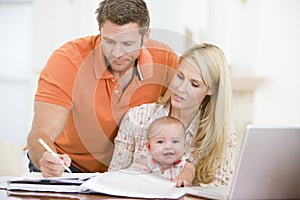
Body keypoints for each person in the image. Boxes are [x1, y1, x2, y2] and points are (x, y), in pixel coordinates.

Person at [26, 0, 178, 177]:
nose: (117, 53)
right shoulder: (67, 60)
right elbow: (41, 132)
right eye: (109, 41)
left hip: (126, 171)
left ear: (145, 36)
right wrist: (47, 157)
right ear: (100, 31)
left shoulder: (165, 60)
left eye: (128, 44)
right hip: (68, 167)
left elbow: (194, 105)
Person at [109, 43, 236, 186]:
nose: (180, 88)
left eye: (194, 84)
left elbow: (221, 189)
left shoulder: (222, 132)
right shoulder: (138, 117)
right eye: (180, 76)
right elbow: (113, 178)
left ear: (211, 90)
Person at [129, 116, 195, 187]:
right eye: (160, 142)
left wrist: (181, 179)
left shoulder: (186, 167)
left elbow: (188, 175)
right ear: (149, 147)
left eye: (175, 141)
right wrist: (138, 171)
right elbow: (132, 172)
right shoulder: (147, 163)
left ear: (184, 146)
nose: (168, 146)